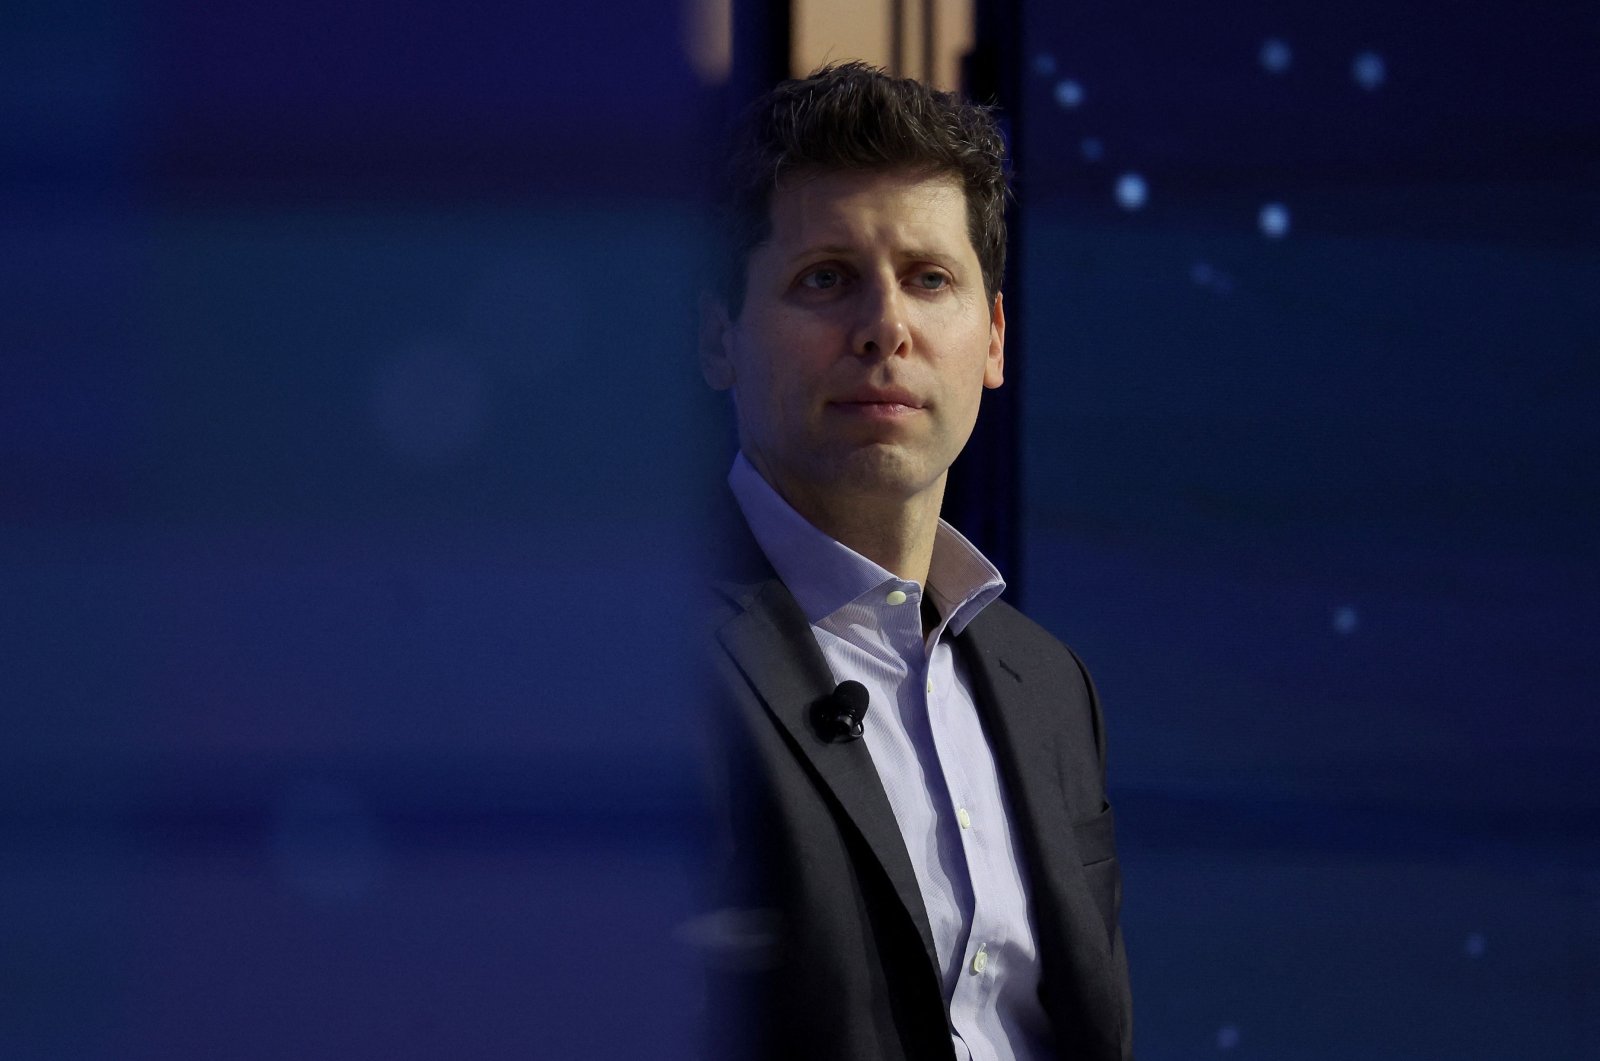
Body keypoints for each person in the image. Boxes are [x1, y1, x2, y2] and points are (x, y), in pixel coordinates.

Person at [695, 61, 1133, 1061]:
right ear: (716, 335)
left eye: (929, 279)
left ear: (992, 338)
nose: (884, 327)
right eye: (826, 278)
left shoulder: (1048, 685)